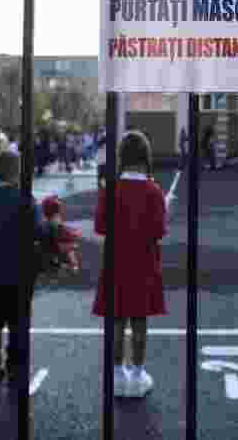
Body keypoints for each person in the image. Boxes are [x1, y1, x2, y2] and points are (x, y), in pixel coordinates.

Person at [0, 150, 59, 385]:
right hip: (21, 272)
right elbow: (40, 232)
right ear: (18, 172)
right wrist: (53, 224)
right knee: (19, 321)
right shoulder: (27, 202)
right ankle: (15, 367)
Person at [92, 130, 167, 398]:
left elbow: (100, 227)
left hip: (115, 262)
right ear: (145, 157)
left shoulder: (109, 188)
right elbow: (159, 231)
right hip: (144, 263)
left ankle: (117, 374)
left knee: (116, 319)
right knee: (139, 320)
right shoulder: (154, 190)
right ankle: (137, 374)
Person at [40, 195, 81, 273]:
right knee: (70, 249)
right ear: (57, 211)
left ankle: (62, 263)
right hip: (57, 248)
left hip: (51, 246)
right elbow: (65, 233)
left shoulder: (45, 222)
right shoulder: (55, 223)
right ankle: (73, 266)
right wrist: (75, 233)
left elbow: (63, 229)